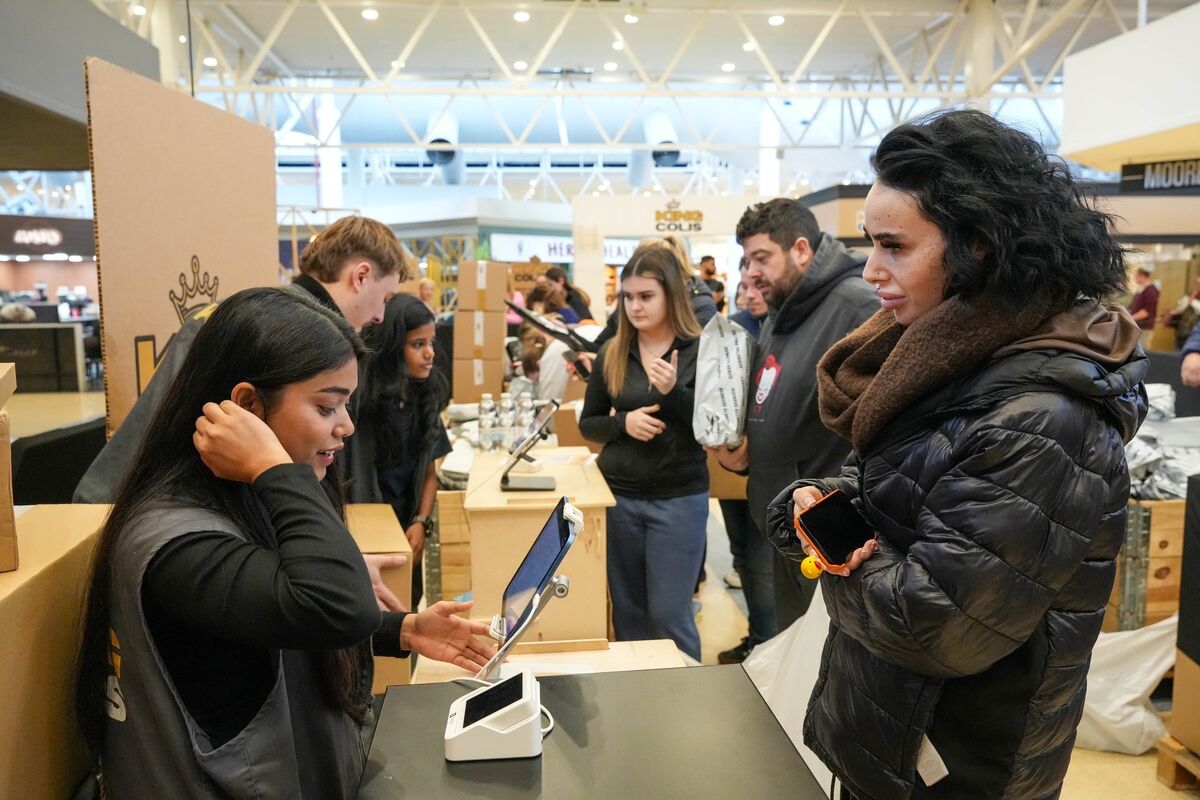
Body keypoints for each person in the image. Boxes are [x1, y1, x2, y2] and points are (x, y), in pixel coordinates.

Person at [765, 110, 1146, 800]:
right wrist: (820, 507)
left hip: (955, 767)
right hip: (893, 739)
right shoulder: (946, 360)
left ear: (979, 245)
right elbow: (906, 491)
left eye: (894, 246)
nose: (871, 270)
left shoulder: (1040, 418)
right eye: (868, 244)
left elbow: (934, 626)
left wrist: (838, 548)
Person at [75, 287, 494, 799]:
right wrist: (274, 468)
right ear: (247, 405)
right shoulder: (174, 542)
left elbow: (270, 611)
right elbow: (332, 604)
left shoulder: (237, 500)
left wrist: (398, 630)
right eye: (327, 406)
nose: (346, 426)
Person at [74, 215, 410, 505]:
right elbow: (143, 446)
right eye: (386, 298)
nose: (381, 315)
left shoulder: (301, 332)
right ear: (361, 276)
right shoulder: (255, 327)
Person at [709, 197, 876, 629]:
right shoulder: (783, 309)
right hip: (787, 522)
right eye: (746, 261)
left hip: (827, 530)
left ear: (801, 249)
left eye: (761, 258)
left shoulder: (855, 306)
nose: (751, 273)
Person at [579, 243, 707, 661]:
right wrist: (623, 423)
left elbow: (711, 427)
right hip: (620, 499)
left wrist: (673, 393)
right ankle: (636, 709)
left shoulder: (701, 349)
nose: (635, 307)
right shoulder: (612, 353)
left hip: (679, 499)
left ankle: (687, 711)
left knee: (670, 616)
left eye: (645, 296)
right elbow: (589, 423)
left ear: (671, 294)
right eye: (627, 297)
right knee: (629, 616)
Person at [353, 294, 453, 608]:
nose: (429, 354)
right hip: (366, 528)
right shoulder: (362, 407)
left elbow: (430, 471)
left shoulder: (424, 398)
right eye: (417, 344)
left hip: (408, 525)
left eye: (432, 343)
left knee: (406, 607)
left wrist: (421, 521)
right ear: (394, 347)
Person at [716, 262, 774, 664]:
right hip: (728, 465)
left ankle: (769, 647)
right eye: (743, 287)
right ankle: (756, 638)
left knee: (765, 564)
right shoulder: (730, 330)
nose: (750, 294)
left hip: (771, 469)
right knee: (741, 555)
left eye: (758, 286)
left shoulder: (787, 332)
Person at [1128, 266, 1158, 341]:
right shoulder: (1142, 289)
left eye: (1136, 276)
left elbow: (1147, 311)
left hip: (1144, 327)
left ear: (1142, 276)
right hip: (1137, 326)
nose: (1135, 279)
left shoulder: (1151, 291)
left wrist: (1130, 318)